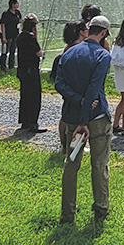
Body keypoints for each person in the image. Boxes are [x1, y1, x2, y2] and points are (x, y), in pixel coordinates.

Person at [54, 15, 113, 224]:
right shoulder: (102, 56)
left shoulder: (69, 53)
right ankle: (101, 208)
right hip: (94, 118)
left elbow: (59, 84)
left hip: (71, 116)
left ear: (89, 30)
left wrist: (76, 102)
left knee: (71, 164)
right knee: (99, 165)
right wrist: (85, 119)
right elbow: (93, 90)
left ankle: (67, 213)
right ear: (104, 32)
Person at [52, 20, 87, 152]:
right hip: (74, 87)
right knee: (72, 118)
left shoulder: (69, 46)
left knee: (66, 114)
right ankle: (69, 145)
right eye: (86, 29)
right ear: (81, 33)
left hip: (67, 86)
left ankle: (65, 144)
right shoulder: (78, 48)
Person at [16, 14, 47, 132]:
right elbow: (39, 53)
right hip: (31, 70)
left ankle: (24, 121)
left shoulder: (20, 36)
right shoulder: (31, 37)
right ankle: (33, 123)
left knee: (24, 96)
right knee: (34, 97)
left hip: (22, 70)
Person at [0, 0, 21, 71]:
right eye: (16, 3)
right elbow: (3, 25)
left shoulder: (17, 13)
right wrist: (3, 36)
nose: (18, 5)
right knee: (5, 51)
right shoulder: (6, 14)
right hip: (8, 35)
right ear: (12, 5)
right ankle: (3, 66)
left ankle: (11, 66)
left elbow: (20, 20)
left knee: (13, 51)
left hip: (15, 34)